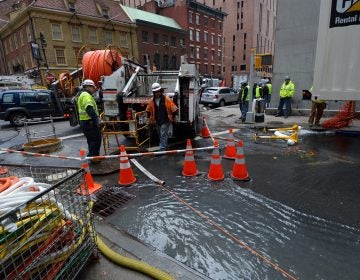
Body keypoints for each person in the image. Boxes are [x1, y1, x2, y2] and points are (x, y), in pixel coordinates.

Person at [146, 82, 178, 151]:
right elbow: (148, 110)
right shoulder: (151, 101)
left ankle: (162, 149)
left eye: (158, 91)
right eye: (156, 92)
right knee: (160, 134)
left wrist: (174, 117)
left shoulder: (167, 99)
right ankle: (165, 146)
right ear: (154, 92)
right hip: (157, 120)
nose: (157, 93)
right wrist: (149, 118)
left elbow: (174, 109)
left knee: (163, 134)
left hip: (166, 119)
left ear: (161, 91)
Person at [77, 79, 102, 160]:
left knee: (91, 140)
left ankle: (94, 157)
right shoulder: (86, 95)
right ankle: (92, 157)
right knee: (95, 139)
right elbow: (89, 108)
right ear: (88, 87)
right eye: (93, 87)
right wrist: (97, 119)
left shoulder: (83, 94)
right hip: (89, 122)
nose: (94, 89)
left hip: (86, 122)